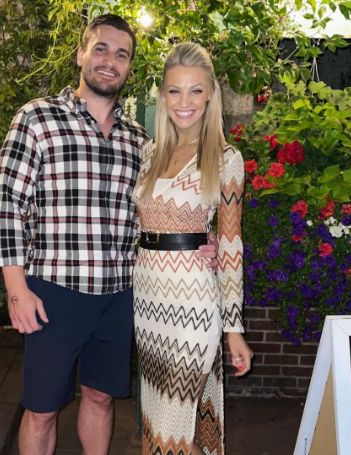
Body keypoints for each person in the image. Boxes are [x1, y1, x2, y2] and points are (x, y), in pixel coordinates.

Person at [0, 14, 218, 455]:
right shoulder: (37, 119)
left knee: (100, 396)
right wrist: (16, 288)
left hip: (118, 295)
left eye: (121, 54)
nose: (110, 61)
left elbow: (156, 212)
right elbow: (6, 204)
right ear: (80, 54)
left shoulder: (140, 142)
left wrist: (198, 241)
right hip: (52, 291)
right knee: (41, 409)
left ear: (129, 67)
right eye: (100, 49)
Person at [133, 42, 253, 455]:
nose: (184, 102)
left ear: (211, 96)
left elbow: (232, 246)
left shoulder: (225, 158)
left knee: (174, 423)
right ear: (162, 95)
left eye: (196, 91)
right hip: (147, 297)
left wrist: (234, 329)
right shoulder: (150, 153)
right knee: (154, 418)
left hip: (192, 305)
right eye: (174, 91)